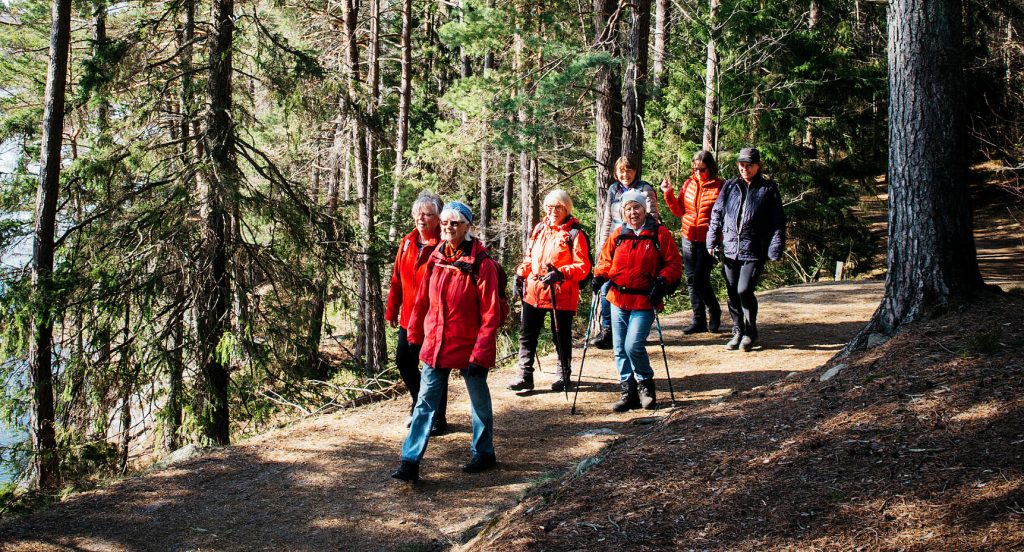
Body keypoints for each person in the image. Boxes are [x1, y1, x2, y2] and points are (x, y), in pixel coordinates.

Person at [391, 201, 502, 482]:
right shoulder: (437, 258)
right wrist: (415, 334)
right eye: (444, 223)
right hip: (436, 342)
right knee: (425, 403)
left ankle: (484, 452)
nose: (448, 228)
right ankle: (410, 460)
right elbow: (421, 301)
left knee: (478, 403)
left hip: (469, 345)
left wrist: (482, 351)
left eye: (455, 223)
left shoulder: (482, 264)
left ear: (467, 227)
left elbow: (491, 313)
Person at [592, 189, 682, 412]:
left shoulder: (659, 233)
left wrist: (662, 280)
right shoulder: (618, 234)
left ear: (644, 209)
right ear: (623, 212)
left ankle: (646, 386)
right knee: (620, 347)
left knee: (634, 345)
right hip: (618, 298)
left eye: (637, 208)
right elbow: (605, 260)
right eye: (628, 209)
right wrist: (600, 275)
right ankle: (628, 391)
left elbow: (674, 264)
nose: (633, 212)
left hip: (644, 300)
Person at [507, 190, 592, 393]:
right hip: (534, 290)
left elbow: (583, 267)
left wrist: (560, 273)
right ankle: (524, 376)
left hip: (561, 292)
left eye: (558, 207)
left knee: (560, 335)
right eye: (550, 207)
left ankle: (563, 374)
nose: (553, 211)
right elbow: (529, 257)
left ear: (566, 208)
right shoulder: (539, 229)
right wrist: (520, 274)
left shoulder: (575, 234)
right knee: (527, 334)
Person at [707, 147, 786, 352]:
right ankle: (738, 330)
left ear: (758, 166)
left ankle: (751, 330)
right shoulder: (730, 186)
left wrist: (775, 247)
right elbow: (717, 213)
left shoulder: (768, 189)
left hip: (754, 249)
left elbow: (777, 221)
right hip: (731, 248)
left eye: (749, 165)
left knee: (744, 289)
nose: (745, 169)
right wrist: (712, 240)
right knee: (732, 291)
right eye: (742, 165)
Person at [384, 192, 450, 435]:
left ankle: (437, 419)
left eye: (428, 214)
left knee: (434, 368)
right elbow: (397, 280)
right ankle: (419, 403)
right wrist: (392, 309)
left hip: (433, 320)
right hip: (408, 317)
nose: (421, 219)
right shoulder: (408, 242)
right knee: (404, 361)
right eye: (418, 213)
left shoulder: (443, 246)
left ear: (438, 218)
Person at [591, 155, 661, 350]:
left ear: (635, 171)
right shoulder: (613, 190)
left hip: (639, 243)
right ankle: (608, 330)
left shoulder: (645, 189)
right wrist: (604, 246)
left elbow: (653, 219)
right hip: (616, 244)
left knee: (635, 287)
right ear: (616, 173)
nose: (625, 174)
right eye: (621, 171)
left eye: (628, 170)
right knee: (607, 288)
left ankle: (635, 332)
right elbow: (607, 220)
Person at [661, 151, 724, 334]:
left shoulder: (720, 186)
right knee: (691, 280)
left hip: (709, 240)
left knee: (700, 279)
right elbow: (679, 210)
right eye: (695, 169)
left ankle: (714, 310)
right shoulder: (688, 184)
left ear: (710, 168)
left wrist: (718, 238)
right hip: (688, 237)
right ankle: (698, 320)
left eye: (702, 170)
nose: (698, 173)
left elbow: (723, 215)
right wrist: (668, 194)